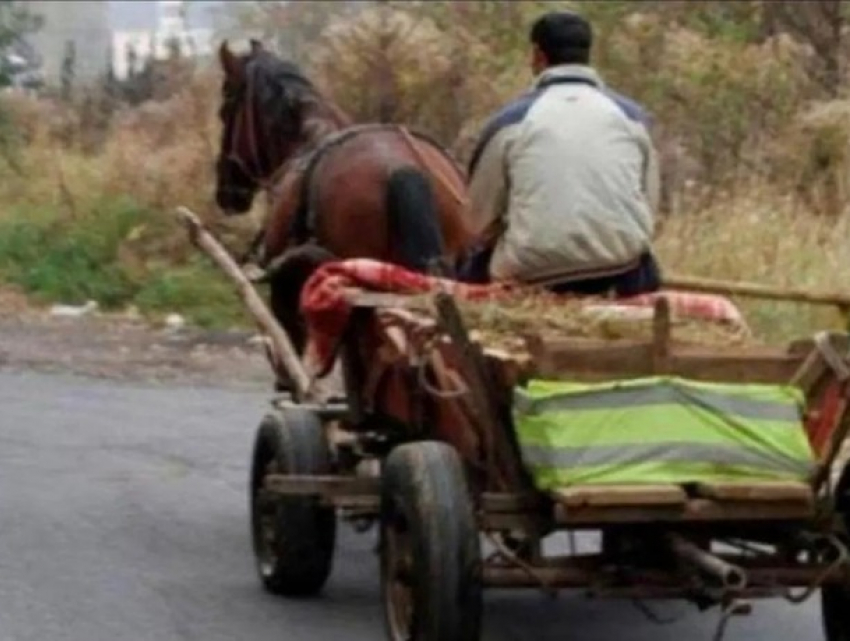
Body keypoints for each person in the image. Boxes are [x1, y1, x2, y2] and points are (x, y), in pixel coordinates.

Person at [458, 10, 662, 298]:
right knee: (644, 258)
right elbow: (649, 206)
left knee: (469, 265)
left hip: (533, 274)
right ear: (587, 54)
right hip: (620, 270)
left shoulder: (509, 123)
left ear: (538, 55)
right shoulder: (632, 118)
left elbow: (476, 221)